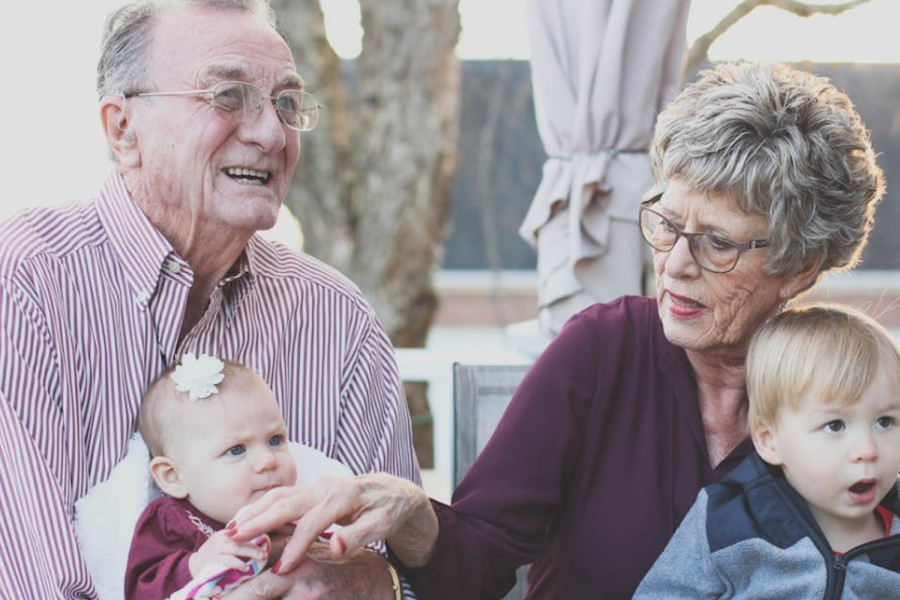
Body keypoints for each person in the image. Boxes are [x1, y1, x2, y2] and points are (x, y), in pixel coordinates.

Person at [225, 61, 887, 599]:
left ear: (799, 267)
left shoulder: (859, 394)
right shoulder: (603, 351)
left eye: (717, 244)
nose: (675, 266)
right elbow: (477, 560)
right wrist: (413, 510)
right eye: (665, 222)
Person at [0, 1, 418, 598]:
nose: (272, 134)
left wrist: (360, 578)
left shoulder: (336, 317)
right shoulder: (23, 288)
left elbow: (401, 570)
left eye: (287, 104)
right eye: (228, 96)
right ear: (123, 130)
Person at [634, 304, 900, 598]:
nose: (867, 449)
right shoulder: (729, 521)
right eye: (835, 425)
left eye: (885, 422)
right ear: (769, 440)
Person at [125, 354, 298, 599]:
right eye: (236, 449)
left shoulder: (296, 513)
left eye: (275, 440)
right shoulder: (172, 521)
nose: (268, 461)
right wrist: (195, 565)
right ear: (173, 476)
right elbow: (139, 589)